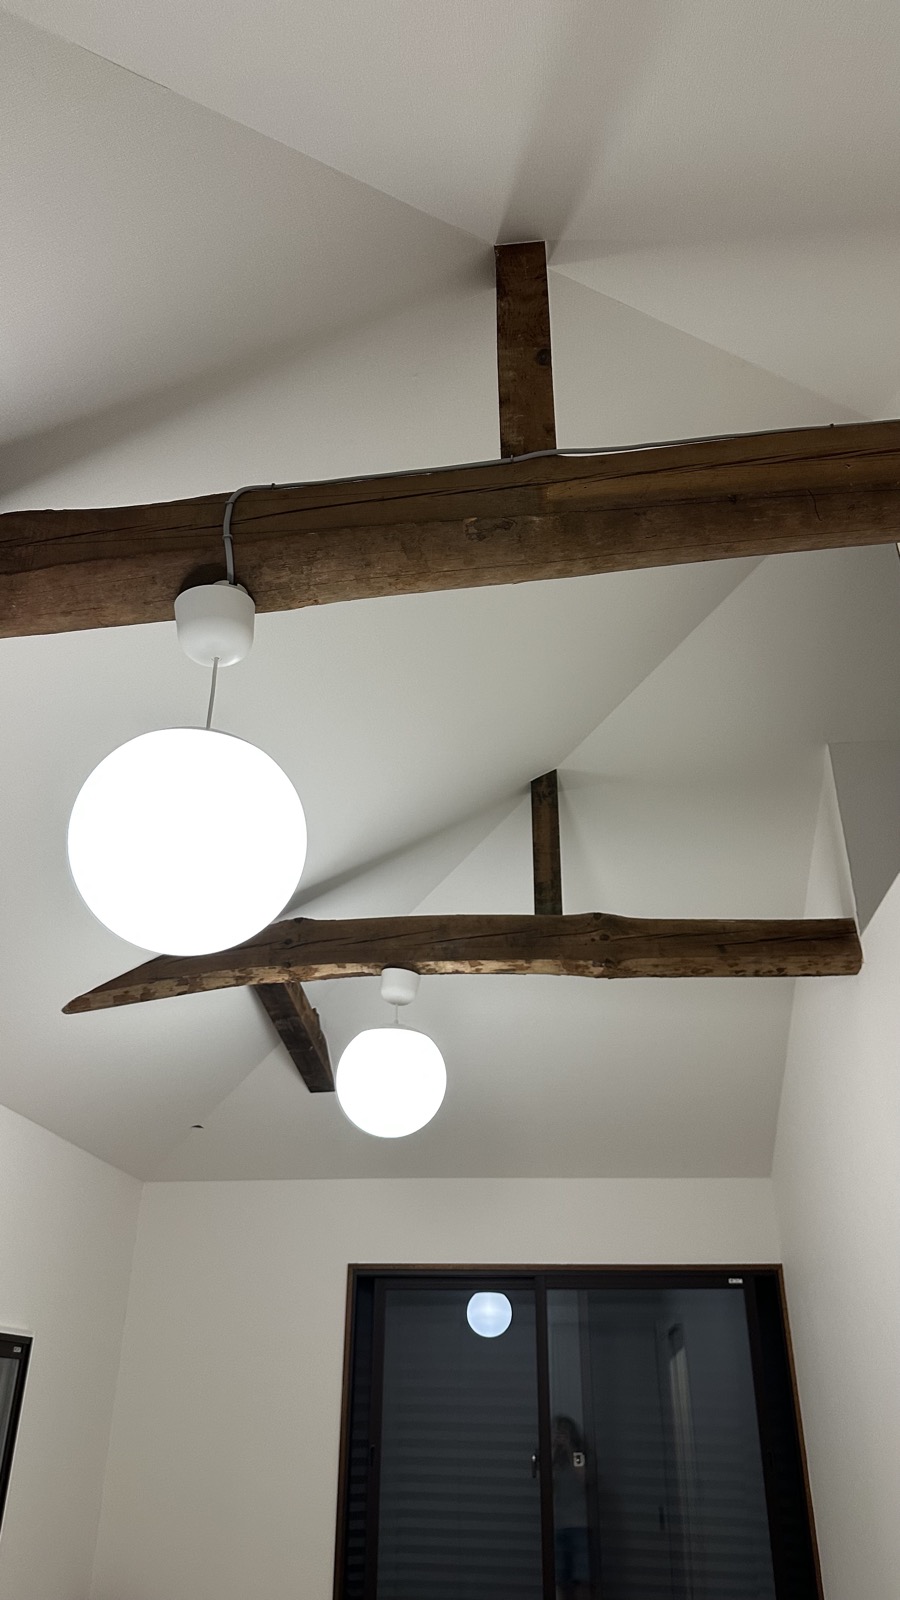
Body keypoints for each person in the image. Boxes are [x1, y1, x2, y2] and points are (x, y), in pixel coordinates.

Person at [552, 1415, 592, 1599]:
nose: (559, 1436)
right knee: (560, 1579)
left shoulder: (578, 1455)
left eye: (563, 1432)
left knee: (582, 1578)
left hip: (579, 1526)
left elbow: (583, 1477)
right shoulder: (554, 1460)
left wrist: (570, 1448)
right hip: (559, 1525)